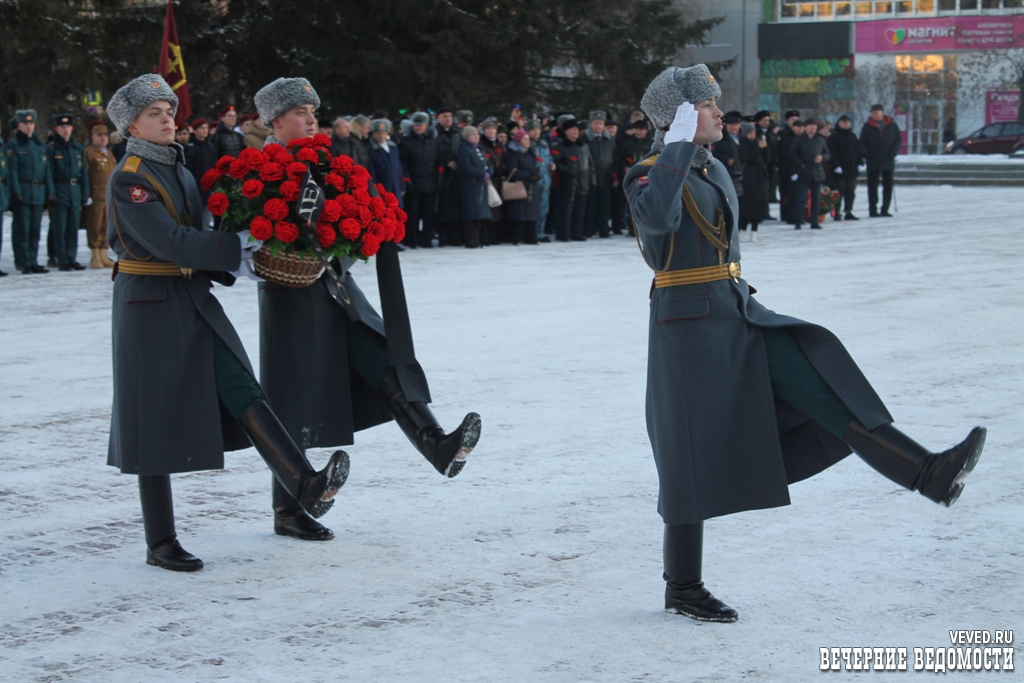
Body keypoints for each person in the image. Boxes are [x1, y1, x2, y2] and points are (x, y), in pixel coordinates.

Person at [626, 64, 986, 623]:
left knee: (822, 385)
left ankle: (927, 472)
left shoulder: (710, 166)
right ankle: (683, 585)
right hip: (688, 330)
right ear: (676, 117)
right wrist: (672, 148)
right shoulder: (651, 172)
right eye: (708, 105)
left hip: (738, 311)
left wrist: (686, 154)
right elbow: (657, 220)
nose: (721, 113)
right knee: (687, 453)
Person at [105, 74, 348, 571]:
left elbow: (196, 235)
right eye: (154, 113)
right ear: (131, 125)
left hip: (190, 294)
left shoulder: (176, 168)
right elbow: (170, 241)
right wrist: (235, 247)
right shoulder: (130, 176)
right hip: (149, 304)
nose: (168, 117)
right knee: (152, 419)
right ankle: (160, 541)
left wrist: (246, 246)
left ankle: (303, 483)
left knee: (242, 386)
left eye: (169, 109)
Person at [254, 77, 482, 541]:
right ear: (275, 122)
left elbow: (348, 218)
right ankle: (288, 510)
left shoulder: (328, 163)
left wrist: (364, 228)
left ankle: (436, 444)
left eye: (314, 111)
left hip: (339, 287)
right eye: (300, 112)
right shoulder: (258, 169)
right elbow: (249, 231)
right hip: (291, 295)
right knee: (292, 395)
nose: (311, 119)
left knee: (384, 358)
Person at [5, 109, 54, 274]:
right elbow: (12, 171)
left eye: (31, 123)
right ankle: (23, 261)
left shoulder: (39, 145)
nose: (28, 126)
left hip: (38, 191)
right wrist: (16, 192)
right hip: (23, 191)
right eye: (25, 123)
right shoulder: (13, 145)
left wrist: (50, 191)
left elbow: (46, 170)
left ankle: (33, 260)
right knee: (22, 230)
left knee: (35, 230)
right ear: (19, 125)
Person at [47, 113, 89, 271]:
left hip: (75, 190)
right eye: (62, 127)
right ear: (56, 129)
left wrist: (85, 192)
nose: (65, 130)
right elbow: (48, 172)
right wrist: (51, 193)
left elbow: (83, 172)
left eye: (68, 126)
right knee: (60, 228)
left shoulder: (77, 148)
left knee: (73, 227)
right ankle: (62, 258)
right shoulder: (52, 149)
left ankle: (72, 257)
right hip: (60, 189)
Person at [398, 111, 441, 248]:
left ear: (427, 125)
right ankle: (412, 239)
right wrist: (406, 179)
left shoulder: (435, 140)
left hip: (430, 181)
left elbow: (439, 158)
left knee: (428, 213)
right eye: (416, 125)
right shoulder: (406, 141)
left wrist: (440, 172)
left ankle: (426, 240)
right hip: (414, 181)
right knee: (412, 213)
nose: (418, 127)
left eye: (420, 125)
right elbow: (403, 162)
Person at [551, 118, 592, 242]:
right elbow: (556, 163)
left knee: (580, 211)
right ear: (566, 132)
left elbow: (590, 164)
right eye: (572, 129)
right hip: (567, 183)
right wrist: (568, 171)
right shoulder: (560, 146)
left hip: (583, 182)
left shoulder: (583, 146)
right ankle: (564, 233)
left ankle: (577, 233)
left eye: (577, 129)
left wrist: (591, 179)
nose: (575, 131)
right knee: (565, 211)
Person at [82, 121, 117, 268]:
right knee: (95, 226)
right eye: (99, 135)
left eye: (105, 135)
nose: (103, 138)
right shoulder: (88, 152)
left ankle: (104, 254)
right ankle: (95, 255)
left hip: (108, 196)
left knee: (106, 225)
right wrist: (86, 194)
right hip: (95, 195)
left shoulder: (108, 153)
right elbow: (84, 174)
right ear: (92, 137)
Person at [788, 118, 829, 230]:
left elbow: (827, 154)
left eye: (814, 126)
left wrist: (822, 158)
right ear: (805, 127)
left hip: (817, 172)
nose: (813, 128)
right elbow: (791, 154)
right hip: (804, 172)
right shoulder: (799, 140)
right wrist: (801, 164)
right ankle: (798, 220)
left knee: (816, 199)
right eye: (810, 125)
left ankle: (814, 221)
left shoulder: (820, 140)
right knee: (801, 198)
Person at [860, 104, 900, 217]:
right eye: (873, 114)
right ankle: (873, 210)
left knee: (888, 186)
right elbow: (862, 142)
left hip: (888, 159)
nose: (874, 116)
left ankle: (885, 209)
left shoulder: (892, 125)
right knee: (872, 186)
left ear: (882, 113)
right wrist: (866, 154)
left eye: (876, 113)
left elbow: (898, 139)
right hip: (873, 160)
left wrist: (893, 153)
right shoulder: (867, 126)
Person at [456, 125, 493, 249]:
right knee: (471, 213)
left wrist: (489, 172)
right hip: (470, 184)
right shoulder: (464, 149)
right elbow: (465, 166)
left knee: (480, 213)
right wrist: (482, 174)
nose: (476, 137)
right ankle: (470, 239)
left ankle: (477, 238)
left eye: (477, 134)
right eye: (473, 134)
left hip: (481, 185)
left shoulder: (480, 149)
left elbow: (488, 162)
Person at [504, 129, 541, 245]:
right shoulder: (514, 153)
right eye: (525, 139)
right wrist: (528, 176)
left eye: (528, 139)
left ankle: (531, 237)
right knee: (519, 213)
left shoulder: (531, 152)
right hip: (520, 185)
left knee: (531, 213)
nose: (527, 141)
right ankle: (517, 237)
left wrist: (537, 175)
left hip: (531, 186)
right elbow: (513, 170)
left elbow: (537, 167)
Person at [583, 110, 616, 238]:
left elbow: (615, 158)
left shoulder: (610, 140)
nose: (598, 126)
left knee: (605, 205)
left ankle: (604, 229)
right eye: (596, 123)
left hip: (606, 176)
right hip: (590, 177)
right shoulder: (584, 139)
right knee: (590, 205)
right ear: (591, 124)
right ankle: (589, 228)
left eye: (601, 123)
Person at [433, 106, 462, 246]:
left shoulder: (457, 133)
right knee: (443, 208)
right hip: (441, 175)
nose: (448, 119)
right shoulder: (434, 133)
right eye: (444, 116)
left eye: (449, 116)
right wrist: (445, 164)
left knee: (456, 207)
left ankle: (455, 237)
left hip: (456, 175)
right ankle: (443, 237)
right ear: (438, 118)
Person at [737, 122, 770, 241]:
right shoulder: (743, 144)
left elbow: (767, 159)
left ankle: (754, 231)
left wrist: (765, 148)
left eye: (754, 132)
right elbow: (747, 158)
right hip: (749, 177)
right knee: (748, 206)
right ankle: (743, 230)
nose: (753, 135)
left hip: (760, 178)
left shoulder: (758, 143)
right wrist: (758, 148)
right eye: (751, 133)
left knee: (759, 205)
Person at [827, 114, 862, 221]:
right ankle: (836, 212)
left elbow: (858, 150)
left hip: (852, 170)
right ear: (839, 123)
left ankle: (848, 211)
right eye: (844, 122)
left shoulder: (853, 136)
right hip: (840, 171)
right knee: (838, 192)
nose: (846, 124)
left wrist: (860, 162)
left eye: (848, 122)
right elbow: (832, 153)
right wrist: (836, 165)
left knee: (850, 192)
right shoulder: (834, 137)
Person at [525, 119, 553, 242]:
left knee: (544, 208)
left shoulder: (544, 144)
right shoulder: (527, 145)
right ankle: (532, 232)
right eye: (533, 130)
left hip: (545, 180)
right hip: (533, 180)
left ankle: (540, 231)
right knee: (532, 209)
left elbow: (548, 159)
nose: (536, 132)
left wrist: (552, 164)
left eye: (538, 130)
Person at [367, 118, 406, 206]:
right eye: (379, 133)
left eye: (384, 133)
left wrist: (402, 185)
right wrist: (375, 190)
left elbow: (399, 167)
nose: (382, 136)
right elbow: (372, 171)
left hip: (396, 185)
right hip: (383, 185)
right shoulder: (371, 149)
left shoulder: (393, 147)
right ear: (373, 134)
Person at [185, 117, 216, 227]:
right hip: (197, 188)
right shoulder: (190, 148)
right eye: (201, 128)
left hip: (210, 188)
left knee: (207, 219)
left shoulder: (209, 146)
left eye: (206, 128)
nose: (205, 130)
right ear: (194, 130)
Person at [775, 110, 802, 224]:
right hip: (785, 168)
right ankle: (786, 214)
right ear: (787, 121)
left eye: (796, 119)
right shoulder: (783, 134)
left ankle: (796, 214)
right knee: (786, 192)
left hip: (798, 167)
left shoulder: (800, 134)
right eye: (792, 119)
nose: (794, 121)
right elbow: (780, 151)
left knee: (796, 193)